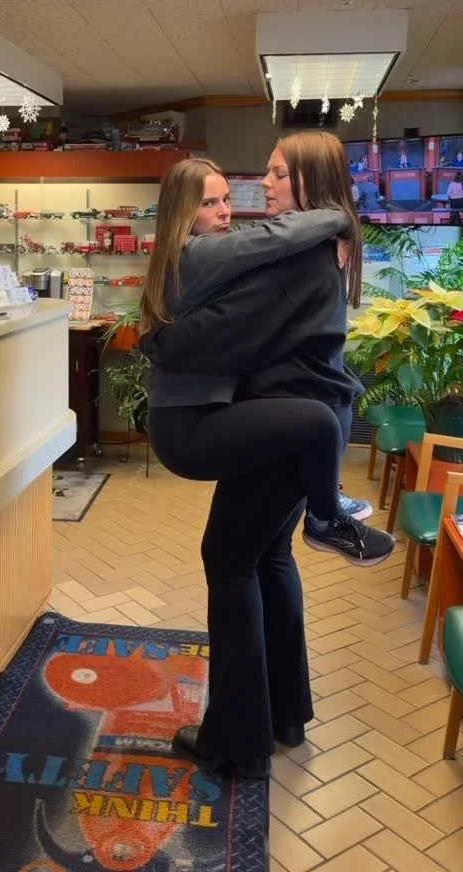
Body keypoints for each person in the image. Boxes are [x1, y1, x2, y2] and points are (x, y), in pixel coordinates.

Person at [139, 134, 394, 776]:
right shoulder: (322, 248)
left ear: (308, 180)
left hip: (288, 424)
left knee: (229, 561)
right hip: (297, 421)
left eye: (278, 173)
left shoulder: (301, 256)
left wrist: (158, 340)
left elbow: (219, 329)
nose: (266, 184)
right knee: (269, 556)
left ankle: (236, 744)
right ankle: (283, 713)